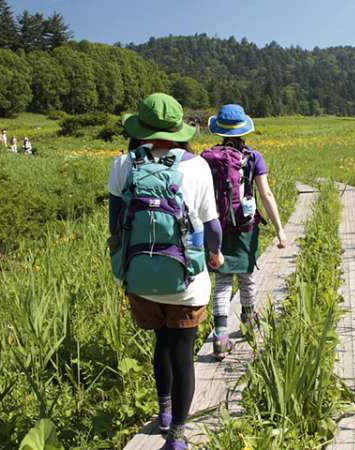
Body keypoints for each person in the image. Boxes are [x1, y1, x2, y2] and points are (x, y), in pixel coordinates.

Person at [107, 93, 224, 450]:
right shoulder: (197, 165)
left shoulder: (123, 163)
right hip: (186, 281)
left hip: (140, 280)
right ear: (178, 130)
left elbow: (115, 225)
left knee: (161, 342)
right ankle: (177, 437)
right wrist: (215, 253)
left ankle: (164, 412)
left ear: (140, 128)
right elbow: (212, 226)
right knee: (182, 352)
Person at [203, 104, 287, 360]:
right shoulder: (253, 157)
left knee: (223, 279)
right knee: (246, 275)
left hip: (216, 225)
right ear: (244, 130)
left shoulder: (206, 158)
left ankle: (220, 335)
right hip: (245, 225)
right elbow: (266, 193)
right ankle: (249, 320)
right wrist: (280, 230)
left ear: (219, 131)